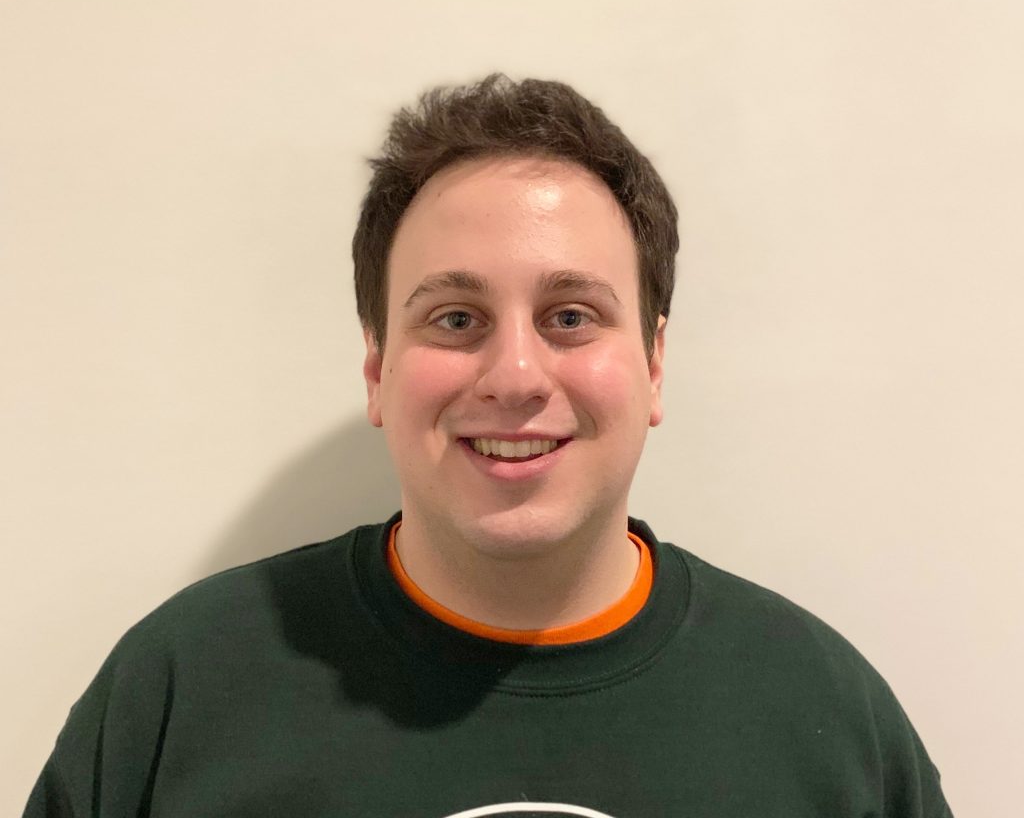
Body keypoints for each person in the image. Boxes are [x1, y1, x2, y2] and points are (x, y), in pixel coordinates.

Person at [24, 75, 952, 817]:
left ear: (654, 363)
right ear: (377, 368)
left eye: (571, 315)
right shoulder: (184, 687)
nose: (514, 375)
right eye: (457, 317)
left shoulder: (824, 714)